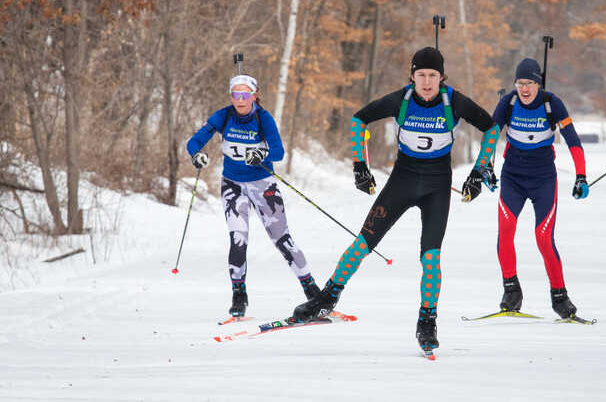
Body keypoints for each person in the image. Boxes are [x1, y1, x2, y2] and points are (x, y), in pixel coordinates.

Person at [291, 47, 500, 353]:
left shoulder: (452, 101)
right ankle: (326, 298)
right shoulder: (400, 100)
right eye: (421, 75)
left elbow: (491, 127)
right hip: (402, 180)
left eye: (432, 76)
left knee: (431, 258)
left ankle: (427, 321)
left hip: (436, 186)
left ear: (442, 78)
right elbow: (359, 120)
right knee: (362, 243)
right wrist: (359, 166)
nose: (427, 82)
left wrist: (479, 172)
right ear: (412, 76)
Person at [186, 74, 319, 318]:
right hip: (233, 185)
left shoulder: (263, 118)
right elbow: (194, 141)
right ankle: (239, 294)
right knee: (238, 238)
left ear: (254, 96)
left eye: (245, 94)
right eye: (236, 94)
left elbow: (279, 151)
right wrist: (197, 155)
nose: (241, 99)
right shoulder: (223, 116)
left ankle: (311, 289)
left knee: (282, 238)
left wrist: (262, 153)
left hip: (262, 184)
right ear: (231, 97)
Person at [491, 57, 589, 319]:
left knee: (544, 238)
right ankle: (511, 291)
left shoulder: (551, 103)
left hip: (543, 179)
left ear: (539, 84)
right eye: (520, 83)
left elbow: (573, 140)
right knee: (506, 230)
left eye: (530, 83)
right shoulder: (508, 102)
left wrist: (581, 175)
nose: (525, 89)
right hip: (512, 177)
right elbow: (490, 136)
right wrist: (484, 168)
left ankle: (560, 297)